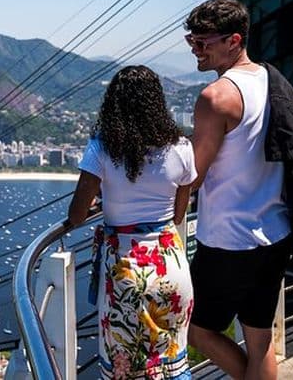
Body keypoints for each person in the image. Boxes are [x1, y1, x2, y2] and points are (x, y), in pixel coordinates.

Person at [184, 0, 293, 380]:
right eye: (191, 41)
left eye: (203, 42)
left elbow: (192, 175)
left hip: (227, 239)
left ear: (234, 40)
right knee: (260, 339)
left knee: (196, 327)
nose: (195, 51)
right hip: (275, 232)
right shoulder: (274, 81)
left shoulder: (215, 97)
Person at [68, 65, 196, 380]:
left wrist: (106, 199)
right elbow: (178, 214)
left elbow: (76, 215)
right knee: (171, 365)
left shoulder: (101, 149)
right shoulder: (181, 148)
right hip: (171, 267)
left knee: (125, 370)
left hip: (126, 272)